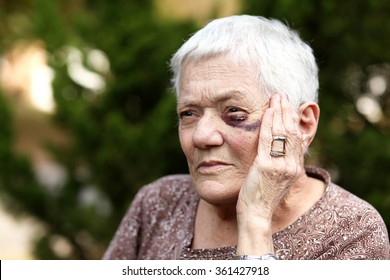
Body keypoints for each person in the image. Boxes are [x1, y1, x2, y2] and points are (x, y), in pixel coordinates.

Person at [103, 15, 390, 260]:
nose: (202, 136)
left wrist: (255, 221)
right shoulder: (158, 203)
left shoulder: (351, 232)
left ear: (302, 125)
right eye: (189, 113)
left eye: (235, 113)